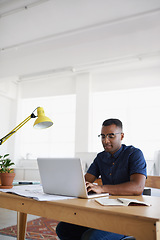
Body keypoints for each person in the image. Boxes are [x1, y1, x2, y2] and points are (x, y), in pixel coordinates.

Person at [56, 118, 147, 240]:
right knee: (63, 229)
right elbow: (84, 182)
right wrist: (64, 182)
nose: (105, 141)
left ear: (122, 136)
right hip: (105, 211)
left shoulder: (134, 154)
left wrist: (101, 188)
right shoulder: (101, 157)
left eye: (111, 136)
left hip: (128, 216)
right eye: (102, 136)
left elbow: (137, 187)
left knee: (91, 238)